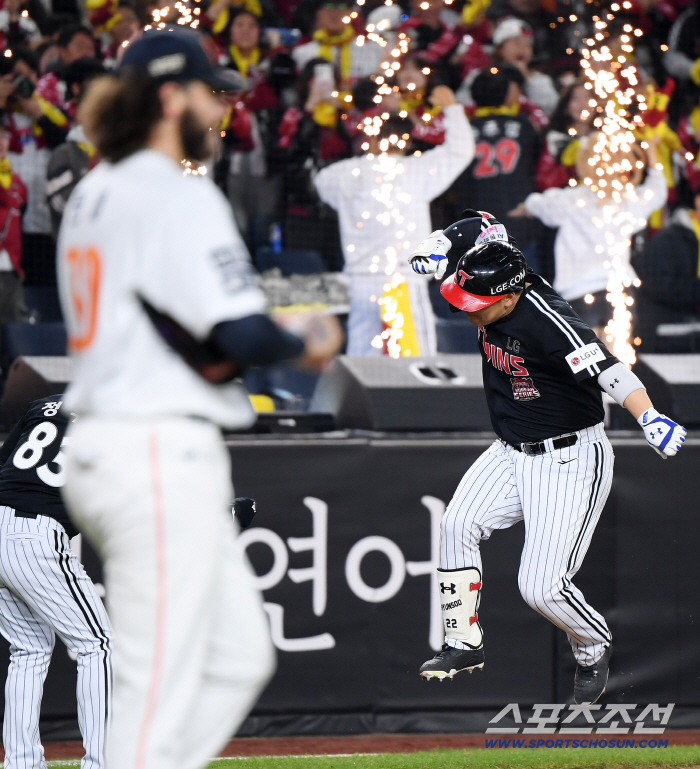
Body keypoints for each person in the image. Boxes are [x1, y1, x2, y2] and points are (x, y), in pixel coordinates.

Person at [56, 29, 342, 769]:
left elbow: (187, 332)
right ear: (165, 96)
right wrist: (306, 334)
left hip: (121, 438)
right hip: (150, 446)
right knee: (153, 689)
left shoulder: (96, 189)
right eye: (206, 92)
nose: (218, 108)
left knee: (240, 655)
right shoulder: (168, 191)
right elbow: (240, 333)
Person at [413, 235, 686, 703]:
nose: (468, 310)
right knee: (457, 523)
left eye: (478, 303)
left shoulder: (548, 322)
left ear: (511, 295)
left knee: (539, 588)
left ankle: (592, 643)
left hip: (569, 456)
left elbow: (608, 369)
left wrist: (649, 416)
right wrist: (440, 242)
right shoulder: (493, 267)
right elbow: (481, 222)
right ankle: (463, 642)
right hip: (510, 449)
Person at [314, 85, 474, 355]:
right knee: (416, 362)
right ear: (406, 142)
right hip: (402, 281)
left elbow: (321, 184)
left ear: (371, 139)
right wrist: (451, 108)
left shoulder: (341, 174)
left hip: (361, 282)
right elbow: (461, 150)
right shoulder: (415, 170)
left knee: (362, 361)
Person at [0, 395, 112, 769]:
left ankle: (20, 764)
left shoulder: (44, 404)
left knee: (29, 649)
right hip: (32, 532)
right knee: (97, 645)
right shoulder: (126, 418)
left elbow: (4, 462)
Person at [508, 140, 667, 330]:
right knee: (617, 358)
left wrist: (526, 207)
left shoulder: (570, 199)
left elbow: (539, 204)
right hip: (619, 290)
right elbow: (657, 190)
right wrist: (651, 153)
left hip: (579, 293)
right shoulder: (629, 200)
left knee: (587, 358)